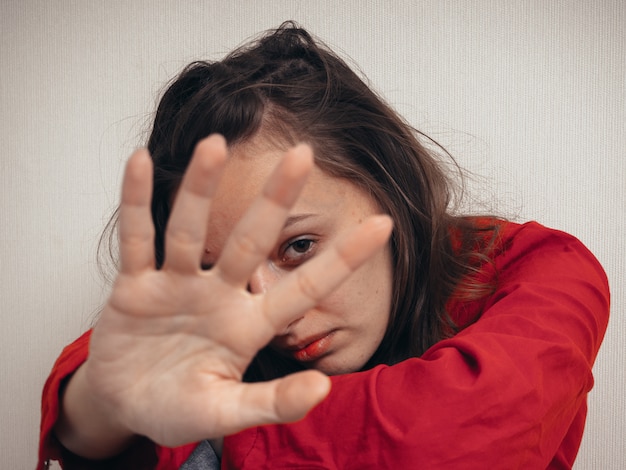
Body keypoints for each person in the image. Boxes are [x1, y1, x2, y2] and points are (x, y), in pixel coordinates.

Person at [38, 22, 609, 469]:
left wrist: (224, 436)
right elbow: (111, 374)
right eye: (230, 273)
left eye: (298, 246)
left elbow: (446, 438)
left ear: (387, 185)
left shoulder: (541, 270)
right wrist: (105, 406)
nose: (269, 310)